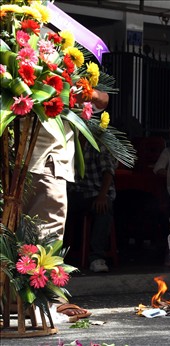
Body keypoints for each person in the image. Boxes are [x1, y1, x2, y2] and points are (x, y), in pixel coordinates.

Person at [23, 89, 109, 321]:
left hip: (34, 162)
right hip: (41, 161)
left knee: (31, 237)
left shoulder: (68, 75)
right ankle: (41, 304)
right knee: (44, 237)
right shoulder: (39, 66)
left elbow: (102, 100)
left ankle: (32, 302)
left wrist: (82, 91)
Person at [67, 139, 118, 273]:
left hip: (96, 192)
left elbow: (108, 171)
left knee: (104, 209)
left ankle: (97, 257)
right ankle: (58, 253)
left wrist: (102, 195)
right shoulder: (69, 141)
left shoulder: (98, 143)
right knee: (57, 206)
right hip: (76, 192)